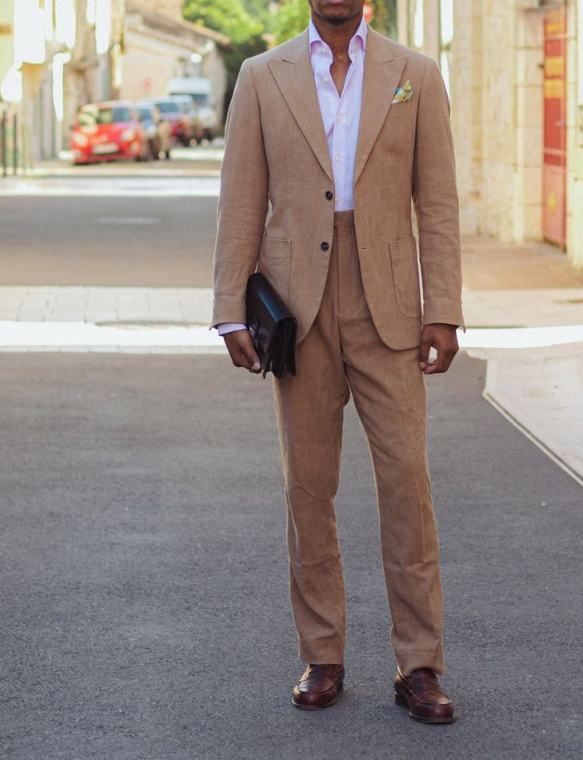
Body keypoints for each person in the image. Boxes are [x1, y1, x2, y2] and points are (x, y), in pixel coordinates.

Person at [211, 0, 463, 724]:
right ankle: (322, 653)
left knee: (407, 483)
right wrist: (232, 306)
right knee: (308, 488)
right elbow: (242, 199)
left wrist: (440, 305)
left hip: (387, 304)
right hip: (299, 305)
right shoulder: (262, 77)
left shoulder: (415, 74)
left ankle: (420, 665)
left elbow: (437, 202)